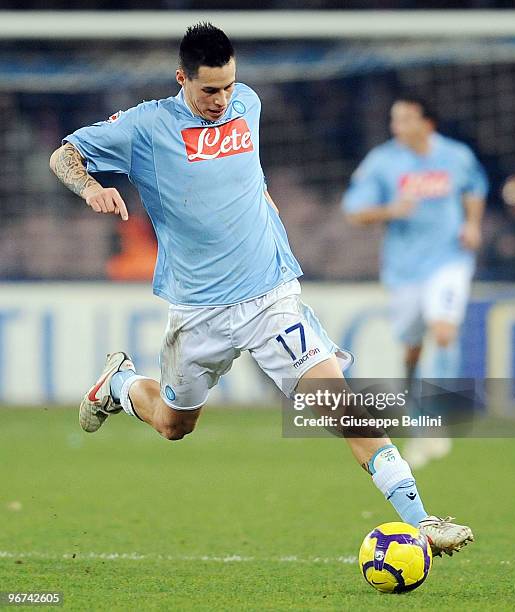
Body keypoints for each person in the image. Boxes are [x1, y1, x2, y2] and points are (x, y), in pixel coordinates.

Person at [50, 23, 473, 556]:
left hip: (270, 298)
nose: (221, 100)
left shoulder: (248, 104)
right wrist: (90, 186)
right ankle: (120, 385)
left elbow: (249, 173)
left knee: (340, 406)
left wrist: (265, 208)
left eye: (229, 86)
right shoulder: (144, 127)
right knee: (174, 426)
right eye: (209, 90)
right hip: (198, 309)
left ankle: (422, 519)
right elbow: (63, 156)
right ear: (182, 78)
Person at [343, 97, 488, 468]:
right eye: (394, 119)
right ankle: (415, 396)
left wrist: (472, 223)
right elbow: (353, 210)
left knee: (443, 331)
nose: (397, 126)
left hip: (449, 260)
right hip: (405, 270)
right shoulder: (382, 161)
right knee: (412, 345)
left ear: (427, 123)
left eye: (405, 119)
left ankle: (433, 423)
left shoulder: (456, 156)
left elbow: (476, 187)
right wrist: (390, 210)